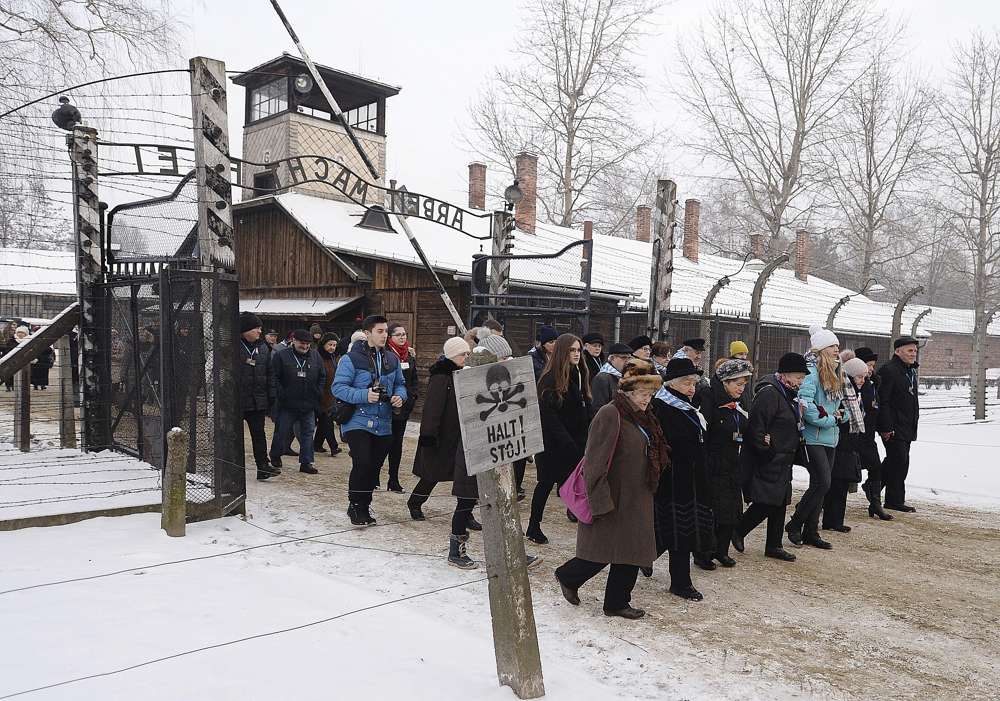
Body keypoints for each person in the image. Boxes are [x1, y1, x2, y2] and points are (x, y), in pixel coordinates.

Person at [554, 362, 667, 620]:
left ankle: (616, 602)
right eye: (642, 394)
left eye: (650, 395)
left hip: (636, 496)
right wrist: (600, 501)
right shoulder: (611, 414)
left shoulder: (642, 416)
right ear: (627, 391)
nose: (647, 400)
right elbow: (594, 462)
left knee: (630, 551)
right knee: (601, 551)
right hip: (612, 496)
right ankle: (568, 575)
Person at [732, 352, 809, 562]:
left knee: (780, 501)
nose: (801, 382)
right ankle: (738, 529)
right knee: (766, 501)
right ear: (785, 374)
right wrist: (766, 452)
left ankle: (773, 545)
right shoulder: (770, 393)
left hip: (784, 457)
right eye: (799, 377)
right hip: (770, 457)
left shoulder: (787, 393)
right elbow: (756, 427)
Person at [651, 357, 715, 600]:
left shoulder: (686, 405)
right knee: (679, 531)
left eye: (694, 383)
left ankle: (642, 559)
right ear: (672, 383)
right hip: (674, 479)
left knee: (677, 530)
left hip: (692, 478)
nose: (692, 388)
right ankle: (680, 582)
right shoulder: (663, 407)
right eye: (687, 383)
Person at [333, 315, 407, 526]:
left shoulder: (392, 359)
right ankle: (356, 505)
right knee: (362, 463)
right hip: (357, 420)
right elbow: (338, 388)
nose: (384, 335)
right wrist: (364, 395)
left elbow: (401, 384)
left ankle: (364, 505)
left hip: (384, 422)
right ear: (367, 334)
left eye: (386, 331)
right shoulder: (351, 359)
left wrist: (399, 397)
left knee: (373, 468)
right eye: (380, 331)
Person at [526, 333, 592, 545]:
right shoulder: (550, 378)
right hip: (554, 444)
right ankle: (533, 525)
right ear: (563, 352)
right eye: (572, 350)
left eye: (578, 350)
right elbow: (548, 415)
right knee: (545, 484)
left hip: (576, 440)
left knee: (575, 483)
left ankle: (579, 517)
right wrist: (567, 441)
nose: (576, 354)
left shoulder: (580, 372)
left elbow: (584, 406)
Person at [786, 326, 846, 550]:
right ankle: (795, 524)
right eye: (832, 346)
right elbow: (805, 405)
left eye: (837, 346)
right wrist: (830, 419)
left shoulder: (836, 372)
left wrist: (841, 415)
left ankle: (811, 531)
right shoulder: (811, 373)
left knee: (821, 485)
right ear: (821, 349)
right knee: (823, 482)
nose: (836, 350)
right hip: (813, 437)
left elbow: (842, 406)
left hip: (831, 437)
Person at [407, 337, 470, 522]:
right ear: (452, 355)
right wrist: (428, 435)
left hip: (459, 434)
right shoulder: (441, 377)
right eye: (462, 354)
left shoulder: (461, 374)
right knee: (431, 474)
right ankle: (415, 502)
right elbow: (433, 409)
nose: (466, 357)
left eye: (467, 353)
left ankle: (466, 513)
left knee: (465, 478)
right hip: (442, 435)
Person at [699, 358, 753, 568]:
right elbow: (705, 430)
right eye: (738, 384)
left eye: (744, 385)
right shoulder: (710, 398)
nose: (741, 389)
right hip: (714, 463)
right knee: (714, 511)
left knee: (731, 510)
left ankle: (722, 550)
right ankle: (704, 553)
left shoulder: (737, 404)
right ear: (725, 382)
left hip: (733, 463)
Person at [822, 356, 869, 533]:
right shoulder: (843, 392)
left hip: (849, 444)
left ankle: (835, 520)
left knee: (841, 485)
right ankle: (831, 520)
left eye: (864, 377)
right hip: (841, 442)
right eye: (859, 377)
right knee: (836, 484)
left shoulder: (855, 394)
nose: (863, 381)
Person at [269, 328, 325, 476]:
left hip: (308, 404)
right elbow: (274, 377)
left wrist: (318, 392)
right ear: (293, 341)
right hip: (287, 404)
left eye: (308, 344)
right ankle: (275, 455)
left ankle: (306, 462)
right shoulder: (281, 356)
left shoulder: (315, 356)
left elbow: (322, 376)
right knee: (281, 432)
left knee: (308, 433)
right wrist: (281, 394)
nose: (305, 346)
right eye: (302, 343)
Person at [877, 336, 921, 513]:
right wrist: (886, 427)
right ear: (897, 351)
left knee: (900, 461)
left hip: (907, 424)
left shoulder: (909, 370)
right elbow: (883, 401)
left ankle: (875, 488)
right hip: (894, 425)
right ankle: (893, 499)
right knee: (898, 460)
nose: (913, 354)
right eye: (910, 350)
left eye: (915, 351)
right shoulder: (889, 370)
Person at [854, 347, 892, 520]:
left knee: (876, 468)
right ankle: (821, 504)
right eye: (868, 365)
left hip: (868, 436)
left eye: (872, 365)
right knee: (840, 474)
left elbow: (879, 407)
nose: (871, 369)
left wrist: (884, 427)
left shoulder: (873, 384)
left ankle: (875, 503)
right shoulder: (851, 383)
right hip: (852, 437)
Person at [238, 312, 277, 481]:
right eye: (257, 328)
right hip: (237, 401)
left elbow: (270, 373)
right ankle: (233, 468)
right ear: (246, 330)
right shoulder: (232, 346)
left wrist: (271, 396)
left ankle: (263, 466)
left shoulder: (262, 348)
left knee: (259, 434)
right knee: (234, 437)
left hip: (257, 400)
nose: (260, 332)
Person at [383, 322, 417, 493]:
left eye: (404, 334)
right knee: (383, 443)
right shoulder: (385, 354)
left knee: (397, 445)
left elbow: (413, 381)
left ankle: (393, 479)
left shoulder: (409, 356)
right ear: (390, 338)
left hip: (403, 409)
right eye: (399, 335)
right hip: (388, 407)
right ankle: (374, 476)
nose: (403, 337)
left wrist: (411, 399)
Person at [313, 332, 342, 458]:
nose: (332, 347)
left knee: (324, 421)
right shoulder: (317, 357)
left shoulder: (333, 357)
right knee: (327, 420)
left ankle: (317, 444)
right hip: (320, 394)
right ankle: (333, 446)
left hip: (331, 394)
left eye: (334, 345)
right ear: (323, 344)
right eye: (330, 344)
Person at [589, 343, 634, 415]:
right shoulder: (602, 378)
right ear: (612, 359)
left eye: (629, 358)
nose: (627, 361)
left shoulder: (627, 376)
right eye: (624, 357)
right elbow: (598, 409)